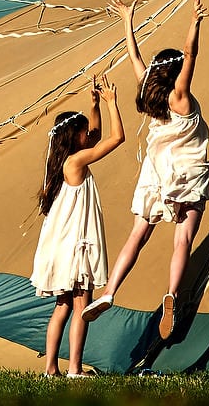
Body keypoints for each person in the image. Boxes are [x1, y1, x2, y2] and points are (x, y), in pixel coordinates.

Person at [82, 0, 209, 340]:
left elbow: (135, 57)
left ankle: (109, 291)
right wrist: (194, 21)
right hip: (188, 176)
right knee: (182, 239)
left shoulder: (151, 97)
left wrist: (128, 20)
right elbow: (192, 54)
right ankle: (171, 294)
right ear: (176, 73)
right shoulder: (180, 98)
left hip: (155, 177)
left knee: (137, 236)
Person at [30, 73, 125, 377]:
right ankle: (73, 369)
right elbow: (115, 138)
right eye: (84, 132)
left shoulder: (62, 163)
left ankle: (50, 368)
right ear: (75, 137)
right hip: (75, 247)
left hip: (60, 246)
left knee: (62, 307)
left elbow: (96, 135)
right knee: (82, 304)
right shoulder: (76, 162)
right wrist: (112, 104)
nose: (89, 135)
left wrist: (94, 105)